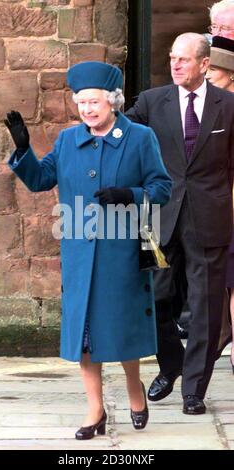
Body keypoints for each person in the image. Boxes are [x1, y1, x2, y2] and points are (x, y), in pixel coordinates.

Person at [5, 61, 172, 439]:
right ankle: (94, 410)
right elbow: (39, 180)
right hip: (80, 254)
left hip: (123, 251)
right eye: (81, 103)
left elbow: (163, 188)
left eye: (93, 102)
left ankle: (134, 388)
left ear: (112, 101)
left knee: (122, 329)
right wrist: (23, 150)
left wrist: (130, 195)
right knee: (85, 337)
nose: (87, 110)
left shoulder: (140, 138)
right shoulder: (67, 140)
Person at [126, 32, 234, 414]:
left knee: (205, 308)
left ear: (205, 65)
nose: (175, 65)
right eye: (172, 58)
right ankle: (171, 364)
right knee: (152, 300)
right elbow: (119, 136)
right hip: (158, 218)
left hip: (210, 218)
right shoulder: (152, 102)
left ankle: (194, 389)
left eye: (184, 59)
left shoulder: (230, 106)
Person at [206, 35, 234, 371]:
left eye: (215, 68)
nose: (209, 73)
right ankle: (222, 333)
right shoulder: (209, 105)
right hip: (215, 200)